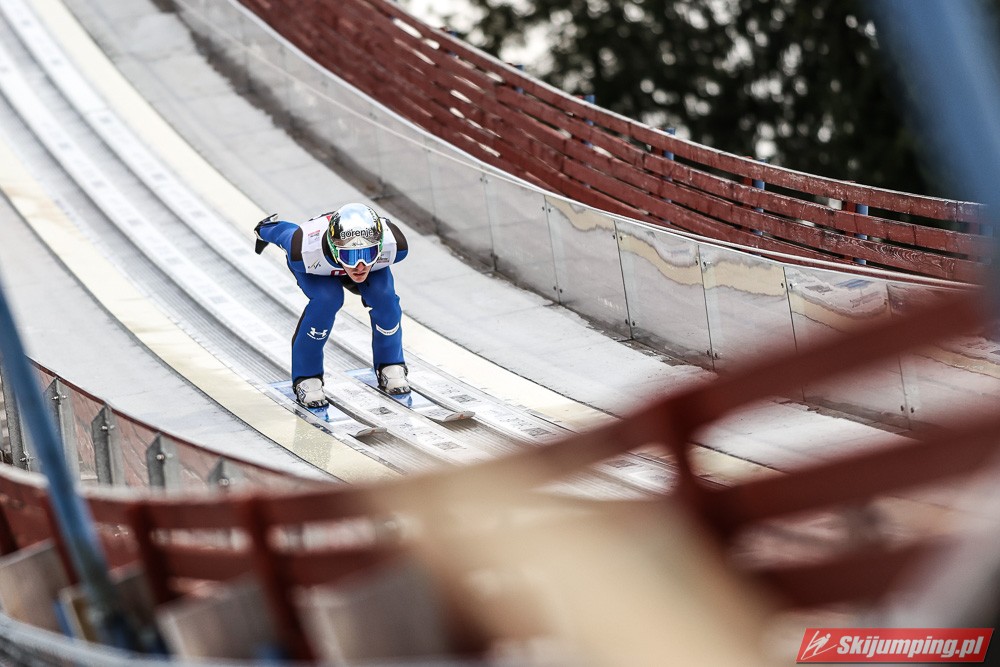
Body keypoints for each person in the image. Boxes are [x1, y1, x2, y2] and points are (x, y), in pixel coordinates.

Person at [253, 203, 410, 408]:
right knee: (327, 300)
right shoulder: (304, 248)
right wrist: (263, 229)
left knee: (385, 298)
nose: (359, 266)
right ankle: (307, 377)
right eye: (349, 256)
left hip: (346, 264)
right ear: (335, 249)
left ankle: (391, 363)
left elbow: (365, 268)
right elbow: (283, 233)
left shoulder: (394, 243)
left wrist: (353, 259)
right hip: (318, 267)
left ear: (380, 247)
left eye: (368, 253)